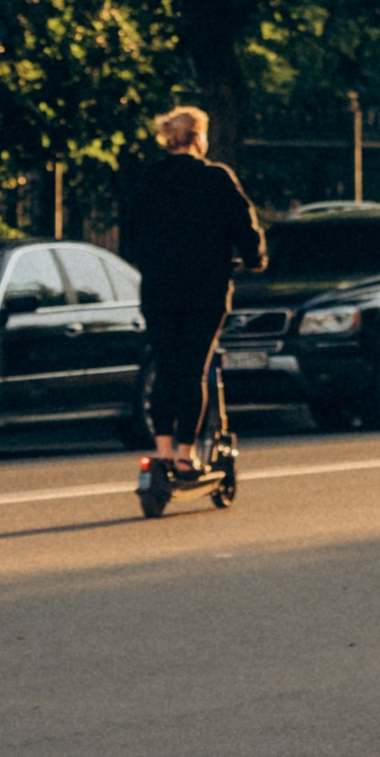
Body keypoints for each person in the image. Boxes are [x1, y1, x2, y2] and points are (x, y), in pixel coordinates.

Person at [118, 106, 265, 481]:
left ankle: (162, 452)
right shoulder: (216, 178)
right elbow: (244, 226)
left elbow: (129, 236)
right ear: (199, 138)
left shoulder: (148, 179)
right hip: (205, 290)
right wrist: (254, 259)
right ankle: (186, 457)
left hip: (159, 290)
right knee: (193, 370)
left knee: (166, 366)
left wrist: (154, 263)